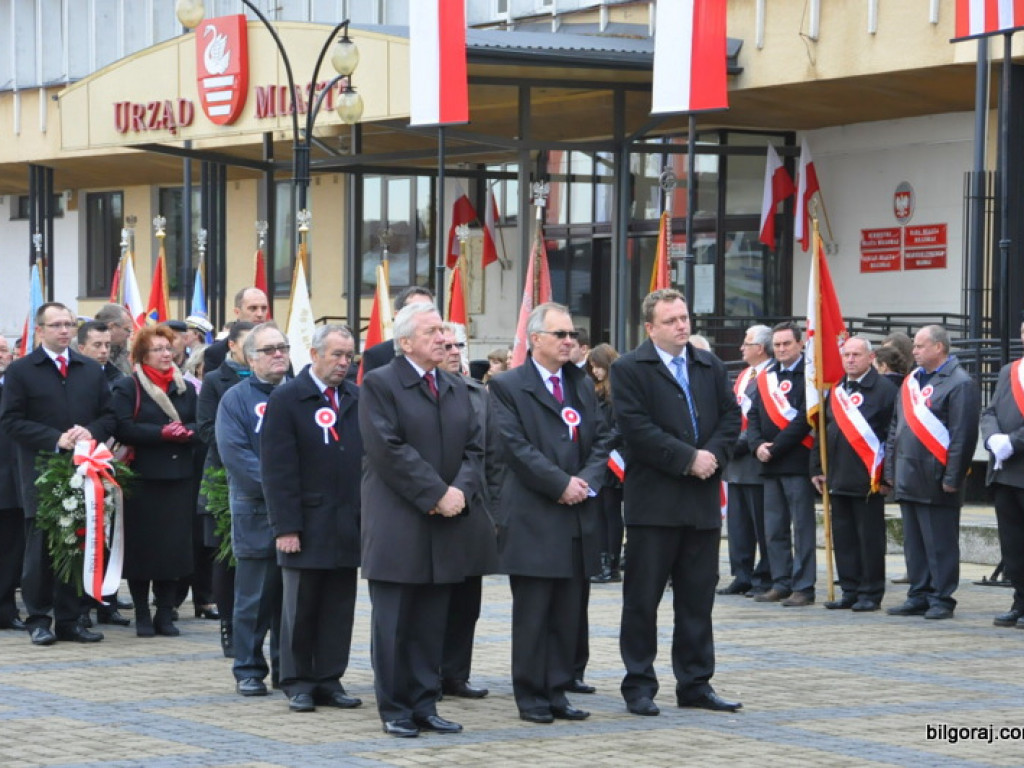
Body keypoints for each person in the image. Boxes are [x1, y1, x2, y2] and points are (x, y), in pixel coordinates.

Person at [612, 289, 741, 717]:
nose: (682, 326)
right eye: (672, 321)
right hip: (655, 504)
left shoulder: (709, 364)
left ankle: (695, 682)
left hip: (702, 504)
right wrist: (687, 459)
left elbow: (730, 418)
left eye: (685, 318)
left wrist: (713, 456)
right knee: (642, 600)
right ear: (651, 328)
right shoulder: (630, 368)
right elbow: (635, 428)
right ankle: (639, 685)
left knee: (697, 599)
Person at [359, 303, 484, 738]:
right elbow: (387, 449)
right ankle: (395, 709)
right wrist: (435, 493)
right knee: (395, 624)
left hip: (447, 521)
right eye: (432, 331)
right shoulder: (380, 384)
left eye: (444, 331)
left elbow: (474, 449)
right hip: (400, 524)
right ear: (406, 341)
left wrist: (459, 494)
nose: (443, 338)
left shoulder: (452, 385)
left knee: (433, 623)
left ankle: (425, 703)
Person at [490, 302, 612, 724]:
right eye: (560, 334)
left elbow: (602, 438)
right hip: (534, 515)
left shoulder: (579, 382)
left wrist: (588, 480)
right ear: (535, 338)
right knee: (535, 613)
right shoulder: (508, 386)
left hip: (577, 514)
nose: (569, 341)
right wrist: (560, 484)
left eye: (573, 334)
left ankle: (559, 689)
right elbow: (514, 447)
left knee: (568, 611)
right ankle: (532, 695)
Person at [262, 324, 364, 713]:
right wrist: (285, 526)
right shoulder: (288, 398)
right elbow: (277, 469)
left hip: (347, 521)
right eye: (337, 355)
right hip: (305, 522)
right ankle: (297, 680)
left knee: (339, 606)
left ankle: (329, 678)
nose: (344, 363)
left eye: (349, 356)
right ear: (314, 353)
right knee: (300, 606)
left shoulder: (355, 396)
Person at [1, 302, 116, 645]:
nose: (64, 330)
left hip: (83, 468)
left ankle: (71, 618)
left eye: (68, 324)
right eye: (56, 325)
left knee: (78, 541)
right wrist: (55, 439)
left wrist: (88, 431)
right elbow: (10, 421)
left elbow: (109, 416)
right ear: (40, 331)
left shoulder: (90, 369)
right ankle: (39, 618)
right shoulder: (23, 371)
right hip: (40, 470)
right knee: (40, 547)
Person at [884, 324, 980, 620]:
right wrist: (890, 468)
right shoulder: (912, 380)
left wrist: (953, 477)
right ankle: (919, 593)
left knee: (939, 543)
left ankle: (941, 597)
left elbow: (963, 437)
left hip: (937, 479)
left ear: (939, 347)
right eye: (914, 346)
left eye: (920, 346)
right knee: (914, 542)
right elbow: (894, 429)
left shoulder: (960, 383)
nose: (914, 351)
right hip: (907, 475)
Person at [216, 323, 290, 697]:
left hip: (298, 515)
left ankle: (287, 670)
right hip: (257, 511)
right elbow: (237, 457)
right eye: (269, 349)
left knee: (290, 601)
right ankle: (247, 668)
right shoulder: (235, 399)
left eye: (283, 347)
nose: (278, 354)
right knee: (254, 599)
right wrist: (284, 491)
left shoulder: (300, 395)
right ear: (250, 357)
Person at [111, 325, 199, 637]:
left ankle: (165, 612)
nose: (166, 354)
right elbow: (122, 427)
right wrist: (160, 433)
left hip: (179, 479)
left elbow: (199, 421)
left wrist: (187, 432)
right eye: (158, 349)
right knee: (143, 549)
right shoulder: (128, 387)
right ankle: (142, 612)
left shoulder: (184, 386)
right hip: (143, 479)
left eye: (169, 348)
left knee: (172, 550)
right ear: (142, 355)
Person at [811, 336, 897, 612]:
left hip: (868, 479)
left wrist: (886, 477)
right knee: (844, 537)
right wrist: (817, 468)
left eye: (856, 355)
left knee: (868, 539)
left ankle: (870, 592)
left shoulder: (885, 390)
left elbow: (891, 436)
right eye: (846, 355)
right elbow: (821, 431)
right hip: (837, 476)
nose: (850, 359)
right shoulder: (836, 389)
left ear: (871, 358)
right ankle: (849, 588)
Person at [438, 324, 499, 700]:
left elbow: (491, 456)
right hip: (432, 507)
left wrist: (492, 512)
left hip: (473, 510)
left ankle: (456, 673)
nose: (452, 352)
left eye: (458, 345)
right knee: (434, 602)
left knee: (466, 602)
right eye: (444, 345)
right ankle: (427, 674)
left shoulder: (480, 394)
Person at [747, 321, 817, 607]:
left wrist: (775, 448)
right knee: (774, 528)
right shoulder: (766, 375)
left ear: (800, 344)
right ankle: (781, 582)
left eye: (787, 343)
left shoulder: (808, 375)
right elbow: (753, 416)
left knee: (801, 529)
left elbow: (804, 419)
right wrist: (756, 446)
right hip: (769, 464)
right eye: (776, 344)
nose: (781, 349)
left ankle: (803, 586)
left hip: (797, 461)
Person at [197, 321, 255, 655]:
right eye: (248, 345)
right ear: (232, 345)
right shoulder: (215, 380)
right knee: (226, 556)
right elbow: (206, 429)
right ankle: (229, 627)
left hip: (264, 474)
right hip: (224, 476)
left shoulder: (276, 380)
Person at [719, 324, 773, 598]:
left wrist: (742, 443)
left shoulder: (772, 376)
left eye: (747, 343)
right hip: (735, 461)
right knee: (738, 524)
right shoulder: (743, 376)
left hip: (755, 459)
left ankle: (764, 575)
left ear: (761, 348)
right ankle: (742, 574)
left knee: (761, 524)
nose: (741, 347)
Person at [981, 320, 1024, 629]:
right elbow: (990, 412)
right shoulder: (1009, 370)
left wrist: (1014, 441)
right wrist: (993, 438)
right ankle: (1020, 601)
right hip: (1005, 472)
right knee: (1012, 545)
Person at [587, 343, 624, 584]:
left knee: (611, 512)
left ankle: (611, 563)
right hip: (601, 458)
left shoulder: (619, 391)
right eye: (592, 368)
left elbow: (621, 427)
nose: (595, 372)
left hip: (614, 458)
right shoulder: (596, 391)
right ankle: (601, 560)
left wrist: (604, 443)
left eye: (598, 367)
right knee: (599, 512)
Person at [0, 336, 26, 631]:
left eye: (5, 350)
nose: (2, 355)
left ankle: (6, 611)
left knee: (9, 550)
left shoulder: (15, 389)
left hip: (11, 480)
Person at [360, 286, 435, 376]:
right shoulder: (377, 356)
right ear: (398, 315)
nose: (426, 316)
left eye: (429, 310)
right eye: (417, 310)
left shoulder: (443, 349)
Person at [203, 288, 269, 372]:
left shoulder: (277, 347)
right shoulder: (216, 352)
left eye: (264, 308)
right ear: (237, 312)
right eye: (253, 308)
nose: (260, 314)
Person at [94, 303, 135, 376]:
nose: (129, 335)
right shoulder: (77, 348)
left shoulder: (123, 352)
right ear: (111, 326)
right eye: (127, 329)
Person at [77, 321, 122, 386]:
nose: (104, 350)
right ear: (81, 348)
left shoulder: (119, 382)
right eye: (97, 345)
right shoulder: (68, 377)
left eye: (107, 345)